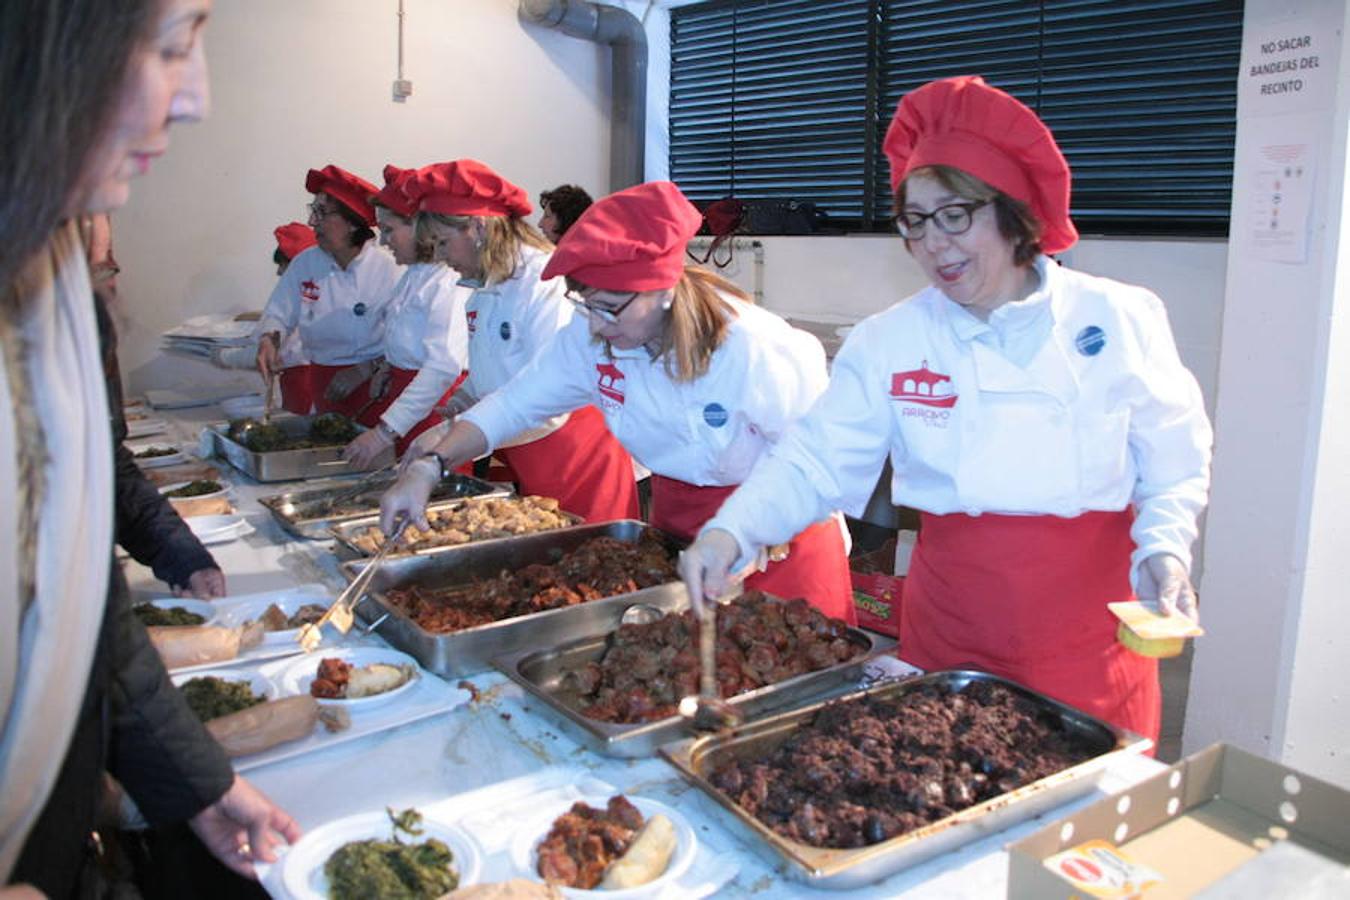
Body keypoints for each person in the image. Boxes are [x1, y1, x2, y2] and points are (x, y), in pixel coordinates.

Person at [679, 75, 1213, 744]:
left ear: (1013, 211)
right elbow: (814, 459)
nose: (933, 243)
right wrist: (732, 532)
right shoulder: (891, 339)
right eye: (915, 221)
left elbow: (1172, 456)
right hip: (950, 636)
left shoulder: (1120, 317)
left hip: (1089, 640)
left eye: (954, 215)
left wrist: (1164, 547)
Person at [0, 2, 299, 897]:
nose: (196, 96)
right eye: (172, 45)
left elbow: (84, 603)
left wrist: (196, 782)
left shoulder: (59, 288)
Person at [382, 181, 855, 620]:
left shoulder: (753, 347)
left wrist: (752, 535)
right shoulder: (594, 333)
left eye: (610, 308)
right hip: (678, 526)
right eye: (586, 305)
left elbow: (819, 463)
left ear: (663, 290)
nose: (596, 326)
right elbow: (513, 404)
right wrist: (432, 464)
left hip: (782, 537)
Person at [381, 158, 639, 523]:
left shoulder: (544, 281)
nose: (439, 257)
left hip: (576, 454)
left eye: (442, 242)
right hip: (527, 450)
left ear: (477, 227)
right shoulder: (483, 286)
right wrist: (467, 394)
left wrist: (447, 435)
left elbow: (546, 396)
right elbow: (495, 361)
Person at [84, 212, 226, 599]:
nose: (112, 284)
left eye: (110, 266)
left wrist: (182, 555)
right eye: (98, 271)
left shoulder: (89, 337)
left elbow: (109, 470)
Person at [342, 165, 471, 466]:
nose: (383, 241)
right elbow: (408, 335)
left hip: (433, 403)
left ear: (419, 227)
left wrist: (384, 433)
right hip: (407, 397)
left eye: (388, 230)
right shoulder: (414, 273)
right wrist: (387, 365)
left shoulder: (449, 280)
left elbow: (443, 366)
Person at [255, 164, 401, 418]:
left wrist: (364, 369)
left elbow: (405, 339)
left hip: (375, 386)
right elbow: (279, 312)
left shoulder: (388, 268)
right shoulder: (306, 263)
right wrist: (269, 340)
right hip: (322, 383)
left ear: (352, 223)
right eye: (313, 211)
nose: (312, 222)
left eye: (322, 213)